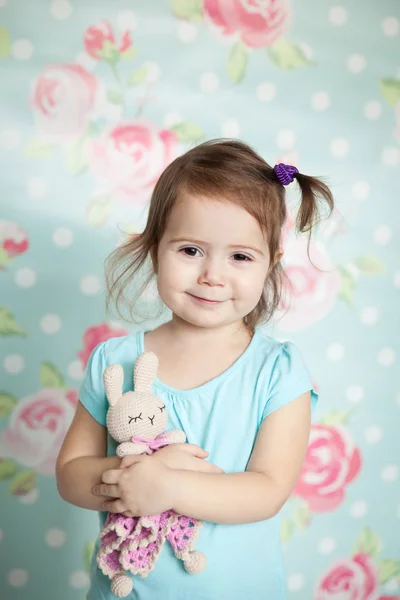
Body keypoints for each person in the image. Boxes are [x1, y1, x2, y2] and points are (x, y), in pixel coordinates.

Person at [56, 139, 334, 600]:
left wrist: (167, 485)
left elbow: (266, 490)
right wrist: (133, 479)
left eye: (240, 256)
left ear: (270, 265)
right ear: (155, 246)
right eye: (190, 250)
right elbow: (70, 474)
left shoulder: (277, 370)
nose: (212, 275)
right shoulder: (114, 361)